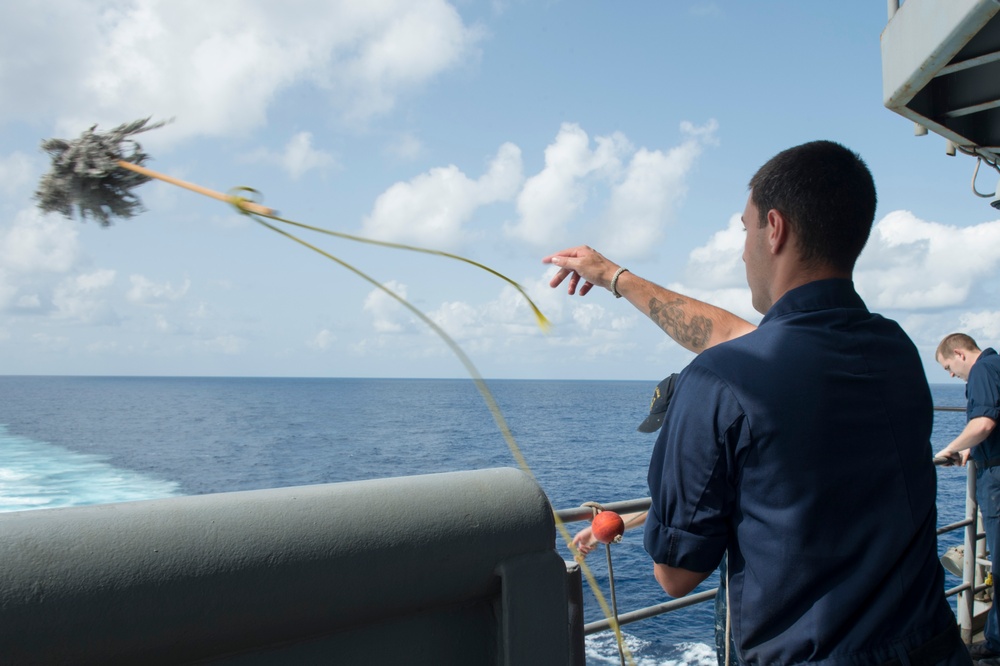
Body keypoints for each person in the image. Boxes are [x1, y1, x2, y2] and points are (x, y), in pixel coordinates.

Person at [546, 140, 969, 665]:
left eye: (744, 230)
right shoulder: (894, 349)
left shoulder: (717, 381)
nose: (742, 251)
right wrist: (615, 277)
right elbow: (740, 340)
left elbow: (675, 576)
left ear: (774, 229)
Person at [934, 333, 1000, 662]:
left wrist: (950, 448)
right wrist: (972, 449)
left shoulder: (983, 370)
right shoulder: (996, 365)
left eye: (948, 367)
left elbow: (984, 422)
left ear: (959, 353)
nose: (950, 375)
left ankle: (996, 643)